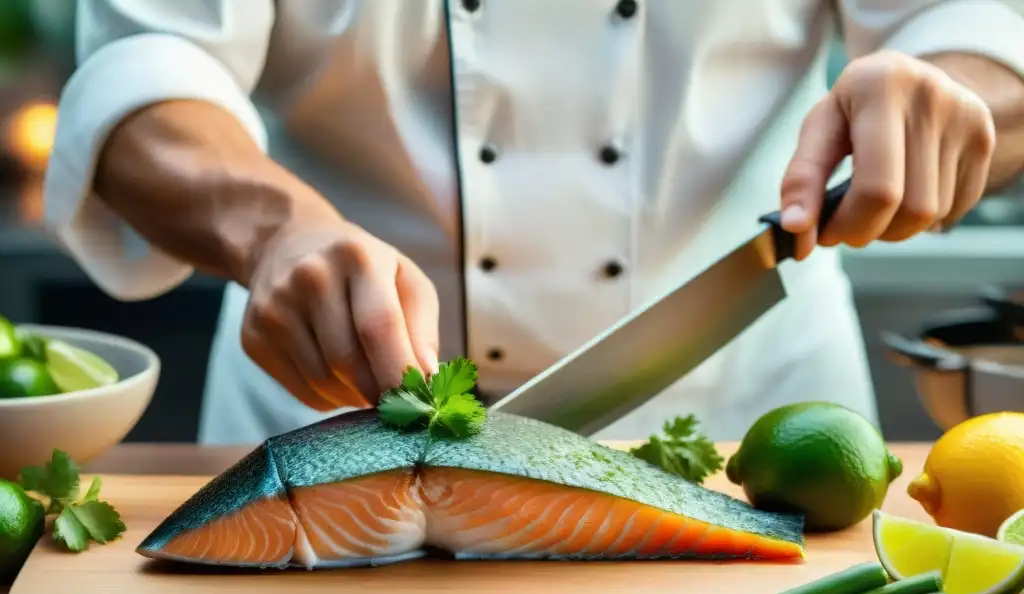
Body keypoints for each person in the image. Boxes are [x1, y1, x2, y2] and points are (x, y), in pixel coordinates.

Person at [43, 0, 1024, 445]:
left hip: (744, 431)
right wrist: (274, 232)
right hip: (332, 417)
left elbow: (978, 31)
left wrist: (937, 94)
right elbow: (143, 72)